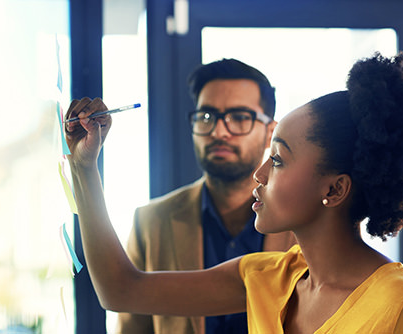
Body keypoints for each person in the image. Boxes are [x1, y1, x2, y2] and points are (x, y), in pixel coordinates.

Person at [64, 53, 403, 333]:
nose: (260, 173)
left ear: (334, 189)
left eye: (279, 160)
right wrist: (85, 167)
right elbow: (122, 290)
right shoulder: (267, 277)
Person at [117, 58, 296, 334]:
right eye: (206, 116)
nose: (219, 131)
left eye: (239, 117)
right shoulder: (151, 223)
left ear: (270, 132)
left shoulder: (302, 222)